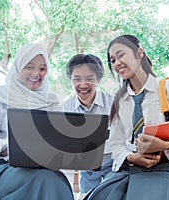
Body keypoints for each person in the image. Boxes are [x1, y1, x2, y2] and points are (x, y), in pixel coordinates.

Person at [84, 34, 169, 200]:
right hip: (129, 168)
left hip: (163, 169)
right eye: (112, 60)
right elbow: (116, 143)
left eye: (121, 55)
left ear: (139, 53)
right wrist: (132, 157)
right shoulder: (119, 100)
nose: (117, 63)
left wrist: (167, 144)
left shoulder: (168, 88)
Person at [0, 43, 74, 200]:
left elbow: (56, 139)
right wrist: (15, 149)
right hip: (1, 168)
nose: (36, 73)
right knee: (47, 180)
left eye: (42, 69)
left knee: (57, 179)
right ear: (18, 67)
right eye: (29, 67)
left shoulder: (51, 101)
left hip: (42, 168)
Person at [62, 54, 114, 197]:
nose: (83, 85)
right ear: (70, 80)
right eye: (77, 79)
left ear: (98, 79)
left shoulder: (113, 104)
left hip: (113, 165)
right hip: (86, 168)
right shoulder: (65, 109)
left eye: (90, 79)